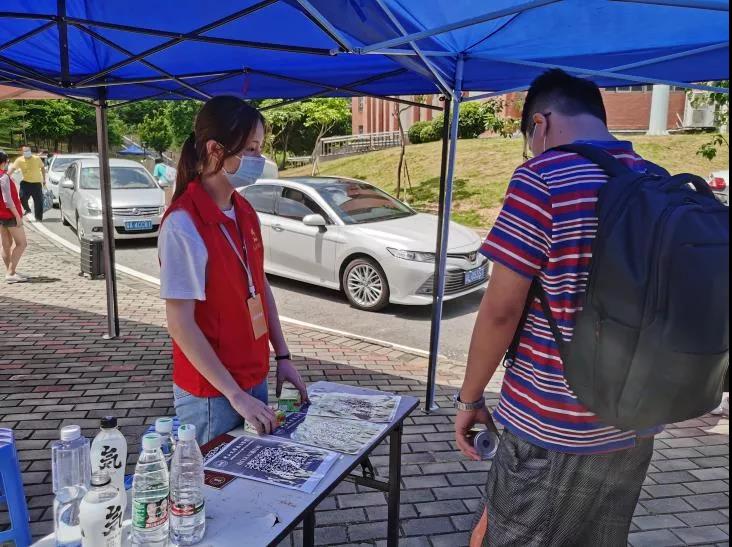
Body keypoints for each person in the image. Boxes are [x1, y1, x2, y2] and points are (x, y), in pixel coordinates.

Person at [456, 70, 663, 546]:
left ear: (541, 123)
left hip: (553, 422)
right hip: (636, 420)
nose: (531, 149)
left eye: (528, 138)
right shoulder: (654, 178)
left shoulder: (544, 178)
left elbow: (501, 310)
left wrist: (470, 399)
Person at [159, 96, 308, 445]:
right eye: (251, 149)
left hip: (252, 377)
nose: (259, 159)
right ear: (215, 149)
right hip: (212, 394)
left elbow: (260, 285)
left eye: (260, 148)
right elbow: (180, 324)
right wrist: (234, 395)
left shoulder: (243, 210)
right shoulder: (183, 224)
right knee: (216, 476)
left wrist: (282, 355)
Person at [0, 151, 28, 283]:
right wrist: (17, 216)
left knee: (6, 244)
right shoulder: (4, 177)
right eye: (7, 161)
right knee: (22, 243)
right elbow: (8, 201)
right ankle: (11, 273)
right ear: (4, 162)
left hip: (1, 216)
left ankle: (10, 271)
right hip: (10, 215)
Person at [8, 145, 46, 222]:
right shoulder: (19, 160)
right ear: (22, 152)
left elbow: (42, 167)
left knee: (38, 202)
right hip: (26, 182)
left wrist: (44, 179)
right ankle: (27, 209)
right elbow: (12, 169)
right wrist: (5, 177)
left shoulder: (36, 158)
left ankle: (38, 218)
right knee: (22, 196)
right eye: (25, 151)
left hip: (36, 183)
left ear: (30, 151)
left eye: (28, 151)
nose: (27, 152)